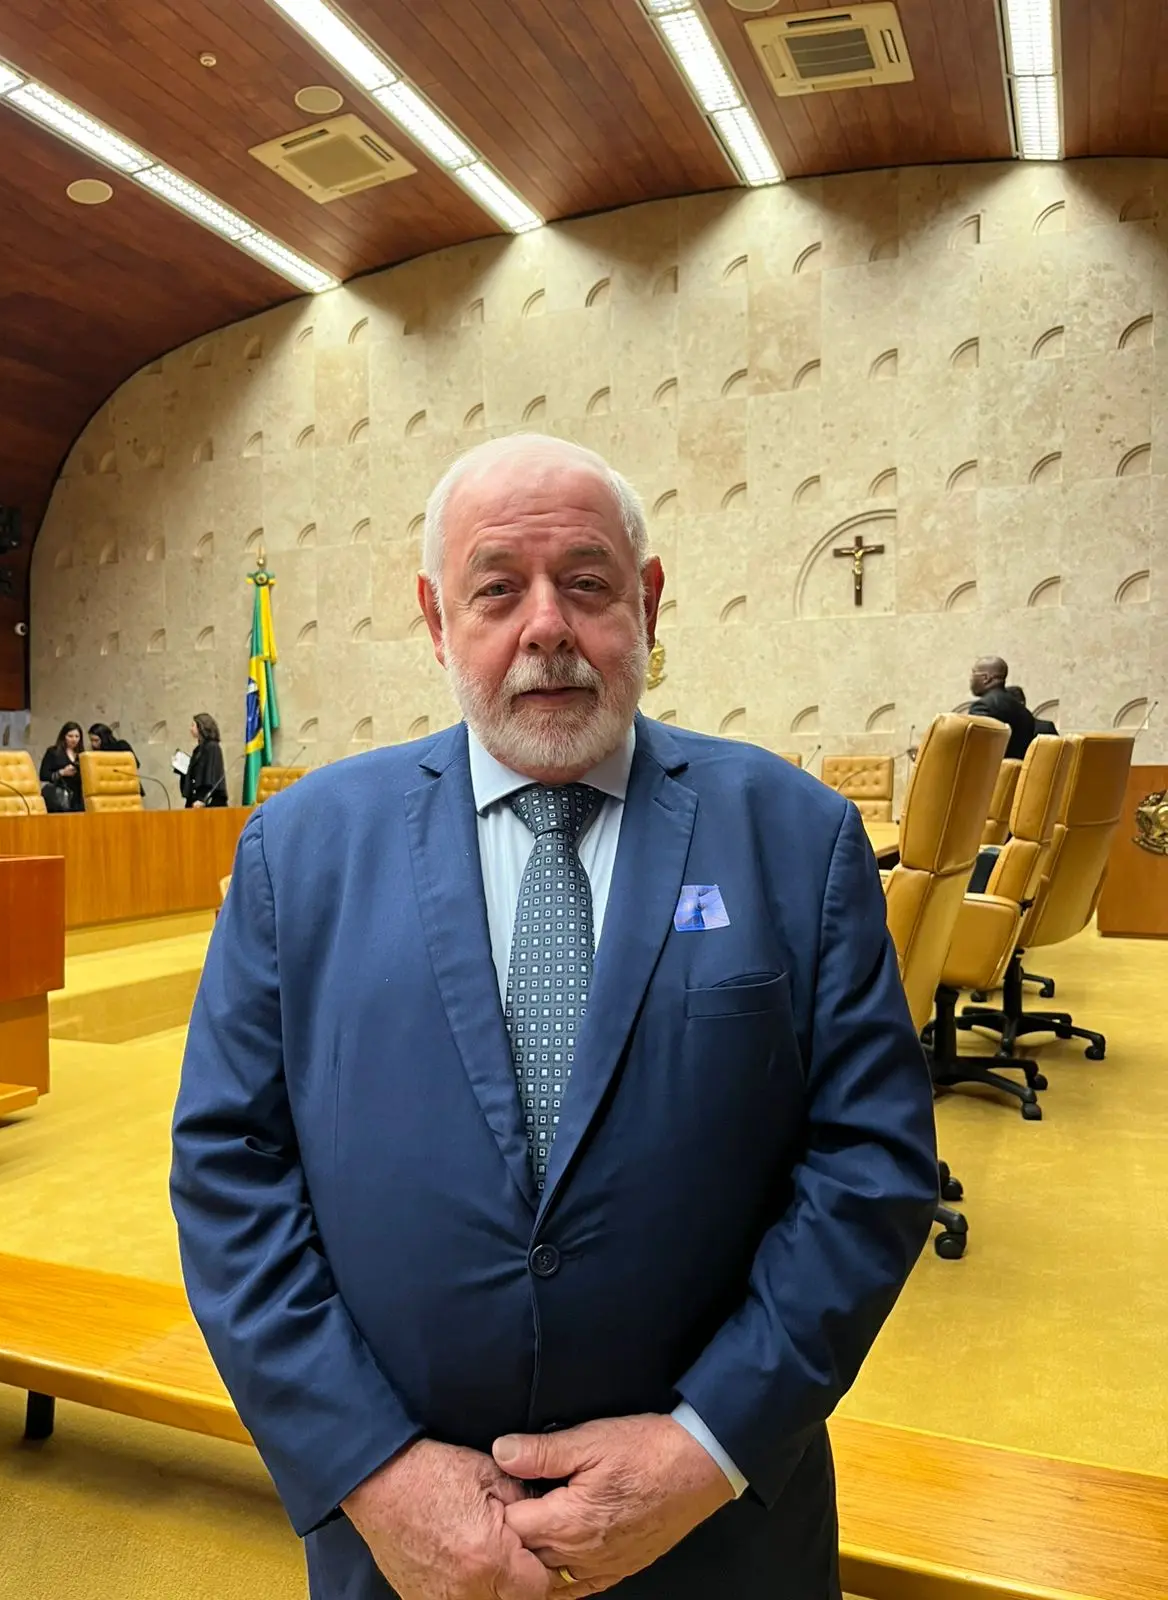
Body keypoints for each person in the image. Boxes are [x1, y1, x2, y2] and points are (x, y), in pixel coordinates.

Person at [171, 434, 937, 1600]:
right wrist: (373, 1470)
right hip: (407, 1551)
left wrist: (705, 1447)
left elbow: (871, 1166)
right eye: (497, 589)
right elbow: (231, 1171)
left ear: (648, 600)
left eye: (586, 582)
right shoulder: (300, 854)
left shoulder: (798, 838)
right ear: (437, 620)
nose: (546, 627)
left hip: (719, 1540)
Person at [967, 656, 1036, 759]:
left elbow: (975, 750)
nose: (971, 679)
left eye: (973, 673)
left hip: (989, 773)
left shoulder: (983, 706)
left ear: (986, 678)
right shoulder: (1024, 712)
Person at [179, 713, 227, 808]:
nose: (190, 729)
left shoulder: (212, 747)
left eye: (193, 725)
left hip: (208, 802)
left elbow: (211, 776)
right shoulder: (198, 750)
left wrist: (203, 799)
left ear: (201, 727)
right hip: (195, 800)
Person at [38, 721, 85, 812]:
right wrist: (62, 772)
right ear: (64, 736)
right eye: (70, 736)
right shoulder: (53, 752)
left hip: (78, 797)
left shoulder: (83, 754)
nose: (74, 739)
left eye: (77, 736)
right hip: (60, 796)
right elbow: (43, 775)